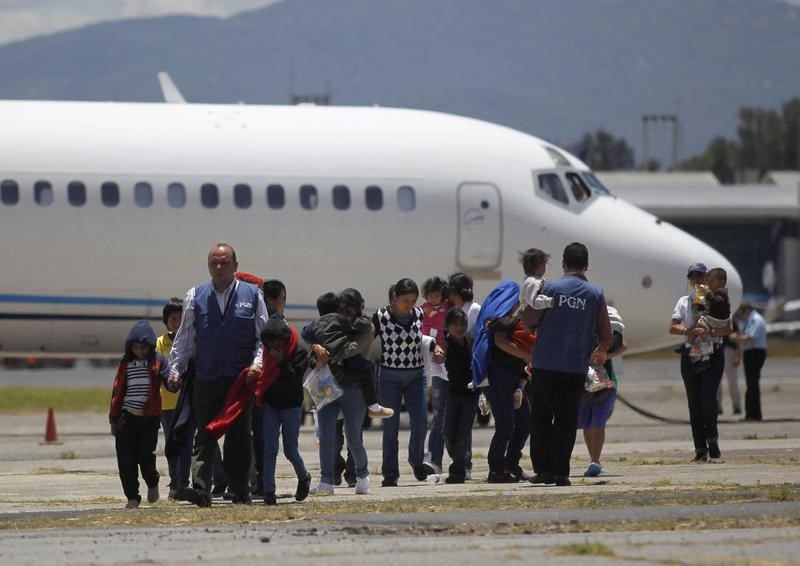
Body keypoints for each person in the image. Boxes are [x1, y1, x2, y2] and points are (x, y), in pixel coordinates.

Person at [167, 243, 268, 507]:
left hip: (239, 381)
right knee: (205, 434)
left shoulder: (253, 295)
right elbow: (185, 337)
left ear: (235, 265)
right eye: (214, 263)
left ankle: (240, 490)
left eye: (224, 262)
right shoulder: (195, 295)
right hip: (206, 379)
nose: (219, 267)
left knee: (239, 437)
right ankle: (201, 490)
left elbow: (263, 338)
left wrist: (257, 366)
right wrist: (175, 369)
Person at [523, 242, 611, 487]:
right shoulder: (595, 294)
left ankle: (543, 471)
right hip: (574, 367)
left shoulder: (548, 287)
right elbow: (606, 331)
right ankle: (561, 472)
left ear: (562, 264)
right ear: (586, 266)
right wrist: (601, 349)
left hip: (545, 364)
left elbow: (528, 321)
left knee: (541, 416)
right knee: (566, 420)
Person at [308, 288, 373, 495]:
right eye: (343, 308)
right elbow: (312, 339)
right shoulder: (333, 325)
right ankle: (326, 481)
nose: (348, 312)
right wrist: (316, 349)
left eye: (352, 308)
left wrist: (324, 350)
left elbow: (352, 349)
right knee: (326, 437)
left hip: (353, 388)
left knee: (354, 438)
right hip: (328, 386)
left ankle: (361, 474)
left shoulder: (365, 327)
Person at [669, 263, 732, 462]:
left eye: (700, 276)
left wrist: (712, 331)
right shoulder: (683, 301)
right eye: (692, 276)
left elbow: (728, 328)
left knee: (708, 398)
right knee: (694, 403)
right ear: (688, 280)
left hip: (713, 354)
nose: (696, 280)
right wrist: (689, 331)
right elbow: (672, 327)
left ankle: (713, 442)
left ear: (706, 278)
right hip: (691, 355)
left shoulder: (716, 299)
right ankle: (699, 448)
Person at [374, 278, 433, 486]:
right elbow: (367, 340)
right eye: (405, 300)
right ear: (395, 298)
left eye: (413, 300)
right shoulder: (380, 317)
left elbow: (422, 338)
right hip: (390, 376)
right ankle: (390, 473)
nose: (409, 305)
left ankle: (416, 460)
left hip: (416, 376)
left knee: (421, 423)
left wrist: (436, 347)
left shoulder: (418, 313)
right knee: (391, 427)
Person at [109, 320, 172, 508]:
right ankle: (132, 497)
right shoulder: (126, 363)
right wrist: (113, 418)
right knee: (126, 460)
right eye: (136, 348)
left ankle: (152, 481)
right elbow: (117, 391)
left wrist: (174, 383)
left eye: (143, 348)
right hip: (126, 417)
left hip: (148, 419)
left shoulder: (158, 361)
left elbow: (169, 379)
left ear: (150, 346)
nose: (140, 351)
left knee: (146, 458)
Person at [258, 317, 311, 506]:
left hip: (291, 405)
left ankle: (304, 477)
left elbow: (295, 379)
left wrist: (281, 362)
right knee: (270, 449)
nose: (273, 345)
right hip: (271, 404)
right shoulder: (266, 353)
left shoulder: (299, 353)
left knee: (290, 450)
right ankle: (269, 491)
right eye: (269, 342)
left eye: (276, 341)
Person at [578, 306, 627, 477]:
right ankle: (593, 459)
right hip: (585, 383)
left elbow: (623, 346)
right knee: (587, 421)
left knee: (597, 420)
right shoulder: (582, 328)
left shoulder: (603, 332)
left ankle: (595, 460)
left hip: (605, 382)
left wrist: (604, 355)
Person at [155, 298, 192, 500]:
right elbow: (158, 369)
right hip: (167, 404)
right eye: (173, 319)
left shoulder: (189, 340)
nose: (177, 323)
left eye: (180, 319)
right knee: (172, 445)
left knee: (187, 443)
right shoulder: (160, 344)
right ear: (166, 322)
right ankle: (174, 482)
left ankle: (185, 482)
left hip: (186, 401)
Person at [440, 308, 478, 483]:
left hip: (470, 394)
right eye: (456, 325)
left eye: (463, 324)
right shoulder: (444, 344)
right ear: (448, 327)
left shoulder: (470, 342)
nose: (460, 328)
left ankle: (458, 471)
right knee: (447, 432)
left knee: (463, 432)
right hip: (452, 394)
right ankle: (461, 459)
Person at [420, 275, 450, 476]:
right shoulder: (422, 311)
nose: (432, 298)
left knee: (447, 413)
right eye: (429, 295)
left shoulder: (449, 309)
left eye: (436, 295)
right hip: (431, 362)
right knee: (438, 412)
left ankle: (462, 462)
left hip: (446, 363)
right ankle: (432, 458)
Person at [736, 302, 767, 421]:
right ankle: (753, 413)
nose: (742, 315)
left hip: (754, 353)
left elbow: (750, 337)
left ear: (747, 310)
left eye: (742, 312)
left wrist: (735, 338)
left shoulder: (754, 319)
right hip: (754, 352)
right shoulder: (755, 318)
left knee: (752, 384)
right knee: (752, 384)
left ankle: (753, 414)